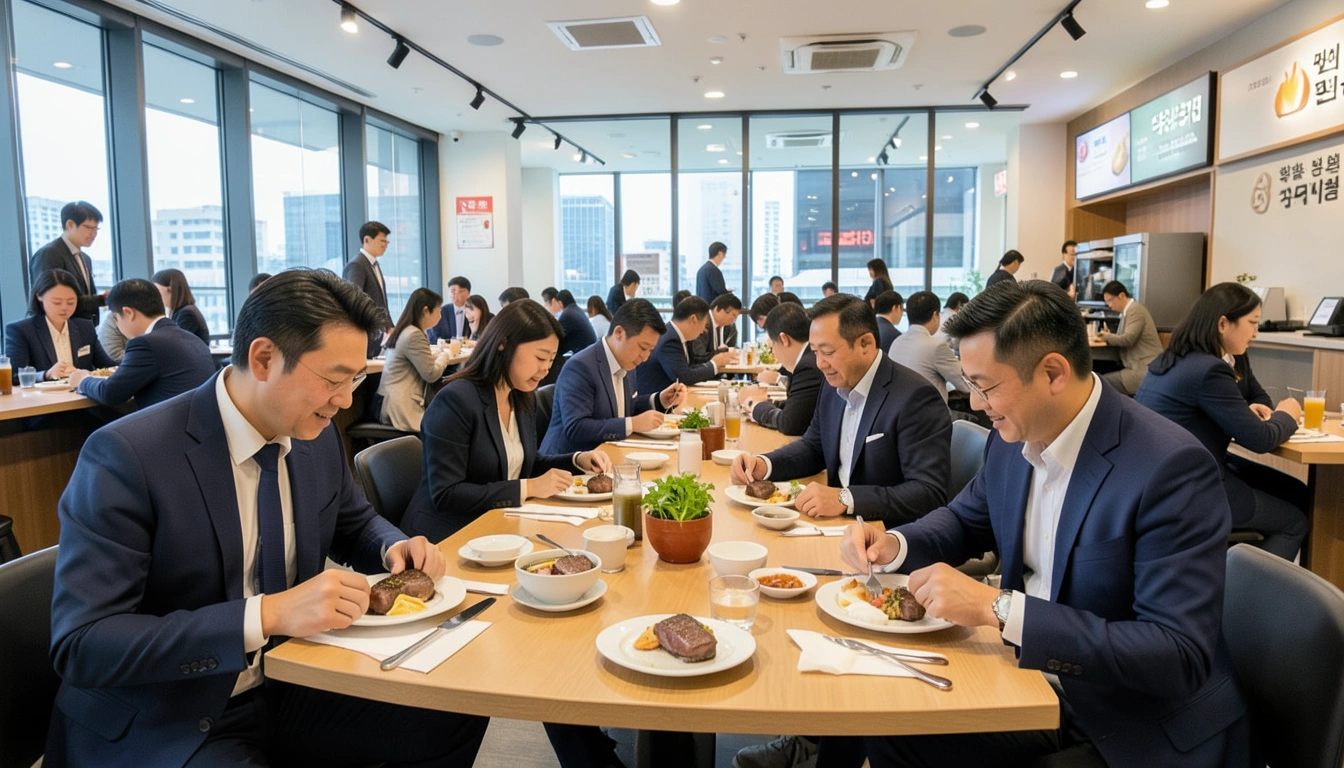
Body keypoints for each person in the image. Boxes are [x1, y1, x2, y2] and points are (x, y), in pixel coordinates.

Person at [46, 268, 490, 767]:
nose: (345, 401)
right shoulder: (129, 456)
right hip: (172, 709)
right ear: (263, 358)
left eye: (356, 379)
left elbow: (353, 521)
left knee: (457, 706)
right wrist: (268, 614)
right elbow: (84, 644)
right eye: (334, 380)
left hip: (291, 677)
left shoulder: (312, 435)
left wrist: (393, 546)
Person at [840, 279, 1252, 768]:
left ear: (1053, 372)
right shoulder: (1015, 438)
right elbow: (965, 521)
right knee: (893, 723)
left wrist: (999, 608)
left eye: (985, 386)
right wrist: (894, 543)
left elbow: (1175, 653)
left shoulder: (1169, 467)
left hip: (1132, 724)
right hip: (1037, 681)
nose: (974, 403)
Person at [401, 300, 614, 542]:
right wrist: (529, 488)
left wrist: (578, 460)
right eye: (540, 357)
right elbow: (447, 494)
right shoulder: (456, 400)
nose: (545, 369)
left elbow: (522, 463)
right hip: (445, 535)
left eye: (551, 359)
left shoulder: (522, 398)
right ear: (503, 344)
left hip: (496, 525)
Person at [729, 294, 950, 523]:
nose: (820, 364)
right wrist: (764, 464)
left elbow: (928, 493)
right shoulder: (833, 385)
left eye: (828, 352)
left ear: (866, 344)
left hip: (882, 533)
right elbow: (814, 447)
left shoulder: (915, 397)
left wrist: (846, 499)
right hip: (835, 524)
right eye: (815, 352)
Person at [1135, 282, 1308, 561]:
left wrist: (1244, 409)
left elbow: (1255, 397)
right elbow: (1260, 439)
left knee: (1297, 492)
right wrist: (1288, 415)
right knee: (1294, 522)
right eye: (1252, 323)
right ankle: (1246, 599)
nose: (1256, 332)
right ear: (1223, 324)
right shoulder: (1209, 369)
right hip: (1188, 488)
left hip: (1161, 478)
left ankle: (1243, 571)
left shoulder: (1177, 357)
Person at [541, 298, 687, 453]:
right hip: (568, 464)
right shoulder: (581, 366)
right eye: (643, 348)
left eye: (650, 350)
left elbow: (624, 410)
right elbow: (576, 428)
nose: (645, 357)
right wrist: (631, 424)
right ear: (619, 333)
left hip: (608, 454)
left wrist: (660, 400)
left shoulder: (627, 363)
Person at [70, 278, 216, 411]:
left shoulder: (146, 344)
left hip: (168, 432)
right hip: (201, 430)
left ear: (128, 312)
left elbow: (109, 393)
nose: (116, 324)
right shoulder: (191, 338)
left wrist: (82, 380)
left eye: (115, 317)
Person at [5, 268, 117, 380]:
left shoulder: (85, 327)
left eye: (71, 302)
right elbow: (14, 375)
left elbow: (106, 365)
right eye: (57, 302)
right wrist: (46, 374)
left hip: (81, 394)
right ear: (39, 296)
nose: (64, 308)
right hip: (42, 396)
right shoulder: (21, 330)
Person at [736, 303, 823, 436]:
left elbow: (789, 423)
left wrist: (753, 404)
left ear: (784, 339)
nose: (774, 354)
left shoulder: (808, 367)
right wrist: (767, 402)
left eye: (772, 347)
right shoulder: (808, 357)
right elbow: (797, 407)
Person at [377, 287, 454, 433]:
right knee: (444, 428)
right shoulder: (414, 335)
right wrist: (445, 356)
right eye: (438, 310)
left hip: (390, 401)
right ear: (426, 311)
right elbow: (431, 374)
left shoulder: (407, 330)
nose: (440, 315)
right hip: (401, 406)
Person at [635, 296, 732, 394]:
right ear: (693, 319)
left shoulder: (679, 336)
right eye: (705, 325)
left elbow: (689, 367)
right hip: (657, 401)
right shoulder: (669, 340)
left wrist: (713, 362)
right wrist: (713, 365)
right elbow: (683, 377)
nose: (704, 331)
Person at [28, 200, 105, 323]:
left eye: (96, 228)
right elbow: (51, 299)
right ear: (70, 224)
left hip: (83, 328)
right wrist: (101, 299)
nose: (94, 234)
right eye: (89, 228)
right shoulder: (49, 254)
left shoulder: (85, 258)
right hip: (57, 329)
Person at [888, 291, 967, 403]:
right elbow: (965, 385)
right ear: (935, 315)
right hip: (931, 416)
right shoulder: (937, 347)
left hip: (900, 413)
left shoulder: (896, 342)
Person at [1095, 280, 1162, 395]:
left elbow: (1128, 339)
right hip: (1136, 365)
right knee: (1100, 374)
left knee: (1100, 383)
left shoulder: (1135, 310)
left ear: (1121, 295)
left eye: (1110, 301)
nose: (1110, 306)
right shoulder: (1128, 312)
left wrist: (1106, 336)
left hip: (1143, 369)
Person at [341, 221, 393, 357]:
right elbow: (354, 303)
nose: (386, 244)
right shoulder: (357, 265)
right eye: (382, 240)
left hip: (379, 336)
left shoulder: (374, 265)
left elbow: (381, 302)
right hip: (366, 336)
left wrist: (390, 327)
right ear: (367, 240)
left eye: (387, 241)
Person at [151, 268, 211, 347]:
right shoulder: (184, 311)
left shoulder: (187, 314)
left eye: (157, 290)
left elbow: (178, 344)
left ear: (170, 290)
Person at [689, 293, 742, 365]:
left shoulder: (727, 326)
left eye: (736, 317)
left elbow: (732, 346)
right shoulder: (703, 323)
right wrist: (722, 353)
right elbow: (698, 357)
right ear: (717, 309)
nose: (734, 319)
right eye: (733, 315)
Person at [547, 289, 597, 358]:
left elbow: (557, 335)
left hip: (584, 354)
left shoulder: (567, 314)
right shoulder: (576, 310)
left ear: (560, 303)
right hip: (589, 351)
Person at [428, 275, 472, 343]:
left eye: (456, 291)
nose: (453, 294)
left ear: (467, 293)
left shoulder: (474, 311)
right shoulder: (441, 311)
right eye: (451, 291)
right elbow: (432, 336)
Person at [695, 241, 731, 305]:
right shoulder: (713, 270)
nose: (724, 257)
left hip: (702, 308)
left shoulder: (701, 269)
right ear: (720, 253)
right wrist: (728, 292)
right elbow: (721, 292)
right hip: (712, 309)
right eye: (724, 254)